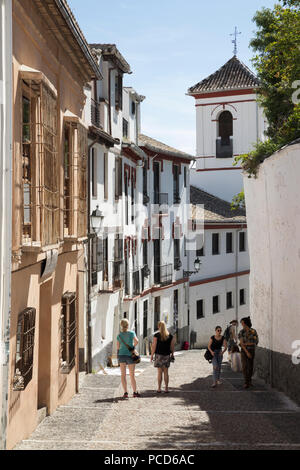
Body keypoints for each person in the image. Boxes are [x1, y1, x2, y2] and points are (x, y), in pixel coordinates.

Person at [117, 318, 141, 398]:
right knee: (132, 375)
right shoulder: (132, 333)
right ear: (127, 325)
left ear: (121, 325)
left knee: (123, 375)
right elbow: (137, 341)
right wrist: (132, 347)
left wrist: (119, 353)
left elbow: (118, 347)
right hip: (130, 355)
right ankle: (134, 392)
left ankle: (125, 392)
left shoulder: (119, 335)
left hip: (121, 355)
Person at [151, 321, 175, 393]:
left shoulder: (156, 335)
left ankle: (159, 388)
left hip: (158, 355)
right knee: (166, 372)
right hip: (167, 355)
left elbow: (154, 346)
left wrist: (151, 355)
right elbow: (172, 346)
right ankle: (166, 388)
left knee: (159, 372)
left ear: (158, 327)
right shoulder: (170, 336)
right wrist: (172, 354)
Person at [238, 317, 259, 389]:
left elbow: (255, 342)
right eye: (241, 323)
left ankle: (249, 381)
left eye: (242, 323)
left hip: (251, 350)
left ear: (246, 323)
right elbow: (241, 343)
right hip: (244, 351)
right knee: (244, 367)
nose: (242, 324)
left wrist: (246, 344)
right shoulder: (241, 332)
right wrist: (247, 352)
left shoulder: (253, 331)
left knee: (250, 366)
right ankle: (246, 382)